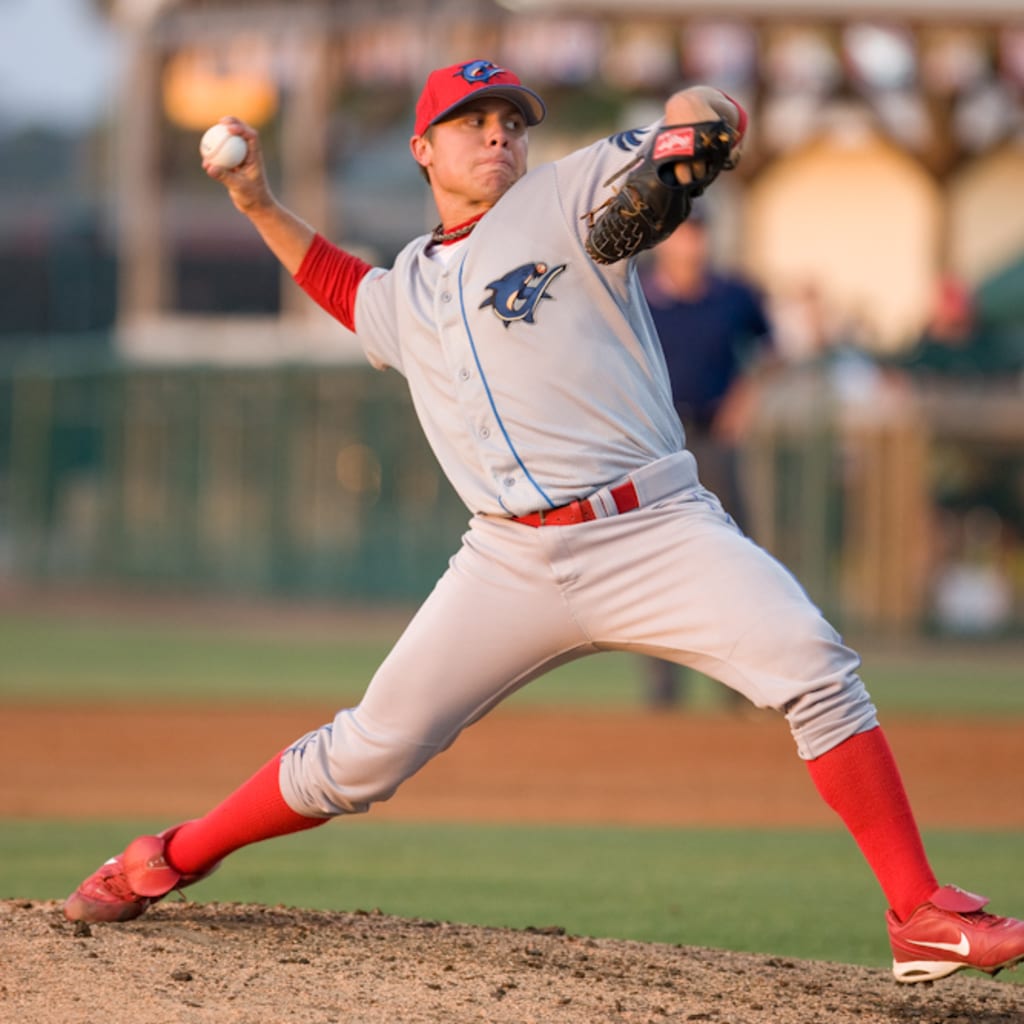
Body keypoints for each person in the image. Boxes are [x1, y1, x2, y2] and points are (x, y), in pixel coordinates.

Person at [64, 59, 1023, 985]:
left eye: (513, 120)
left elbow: (702, 107)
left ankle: (919, 915)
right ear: (422, 149)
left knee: (815, 666)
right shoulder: (410, 288)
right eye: (473, 121)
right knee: (362, 756)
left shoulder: (564, 194)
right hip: (507, 561)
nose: (499, 132)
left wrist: (695, 137)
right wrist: (257, 205)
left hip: (654, 529)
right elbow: (345, 291)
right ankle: (169, 854)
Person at [640, 206, 773, 709]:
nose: (691, 243)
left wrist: (744, 401)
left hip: (714, 438)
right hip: (656, 446)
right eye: (681, 232)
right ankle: (662, 690)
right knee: (657, 565)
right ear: (664, 240)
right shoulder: (638, 295)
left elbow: (768, 352)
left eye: (698, 232)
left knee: (731, 561)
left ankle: (735, 689)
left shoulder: (733, 295)